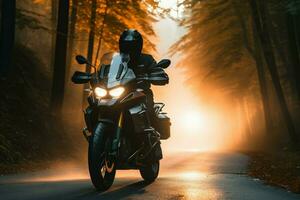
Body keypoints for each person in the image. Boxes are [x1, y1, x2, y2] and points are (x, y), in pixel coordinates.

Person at [119, 29, 157, 122]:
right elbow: (106, 71)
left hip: (141, 92)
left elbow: (155, 69)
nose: (128, 48)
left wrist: (157, 75)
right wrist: (94, 76)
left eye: (132, 46)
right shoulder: (116, 60)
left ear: (138, 46)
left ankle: (151, 134)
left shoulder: (147, 59)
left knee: (150, 111)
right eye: (126, 45)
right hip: (120, 92)